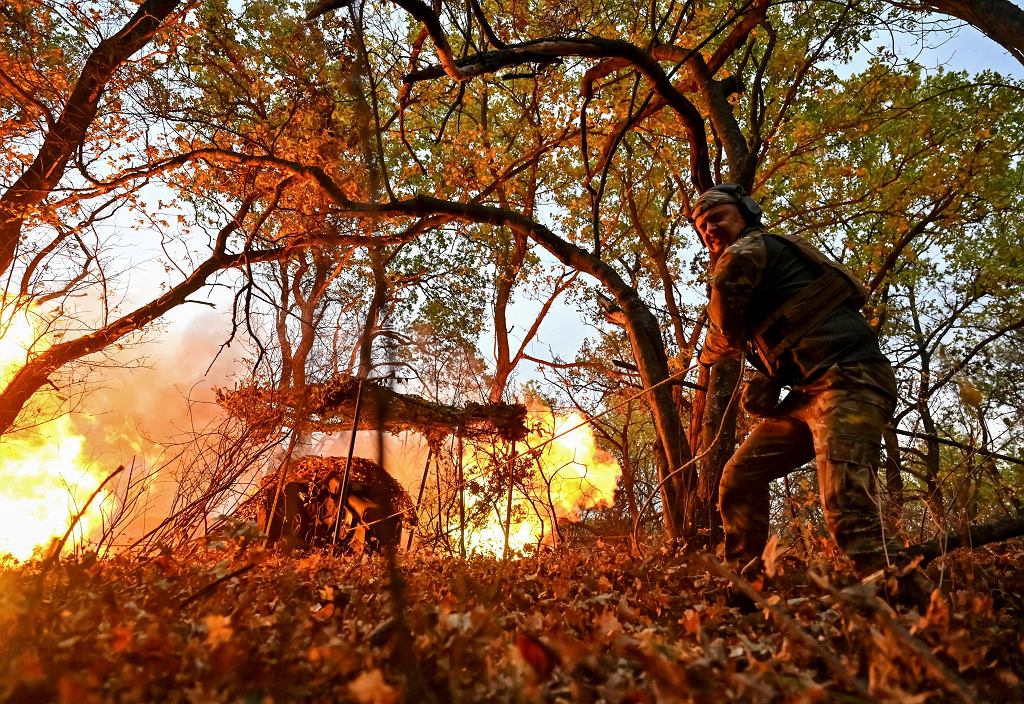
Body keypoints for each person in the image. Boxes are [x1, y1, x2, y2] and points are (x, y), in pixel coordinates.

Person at [692, 183, 901, 579]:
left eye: (717, 218)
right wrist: (768, 378)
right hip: (810, 394)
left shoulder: (745, 252)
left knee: (848, 511)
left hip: (849, 381)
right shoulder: (768, 260)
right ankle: (745, 591)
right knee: (739, 478)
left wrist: (704, 358)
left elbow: (725, 330)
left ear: (747, 213)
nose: (710, 230)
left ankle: (920, 609)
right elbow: (782, 333)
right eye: (702, 227)